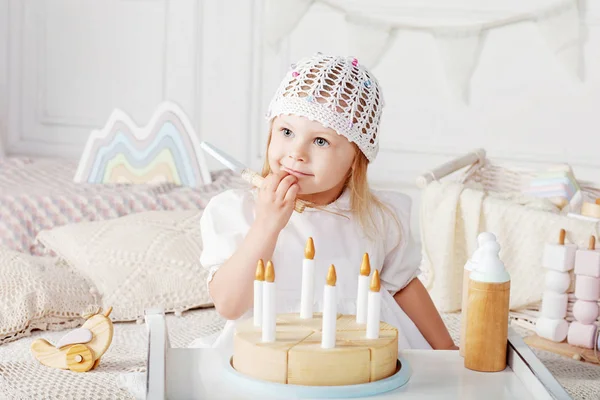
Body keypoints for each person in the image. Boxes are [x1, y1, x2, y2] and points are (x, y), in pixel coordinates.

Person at [196, 53, 456, 352]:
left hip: (363, 356)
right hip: (271, 356)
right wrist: (267, 224)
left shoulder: (380, 218)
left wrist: (448, 353)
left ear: (356, 159)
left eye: (320, 141)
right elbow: (229, 305)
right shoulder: (237, 211)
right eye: (287, 132)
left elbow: (404, 287)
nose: (297, 153)